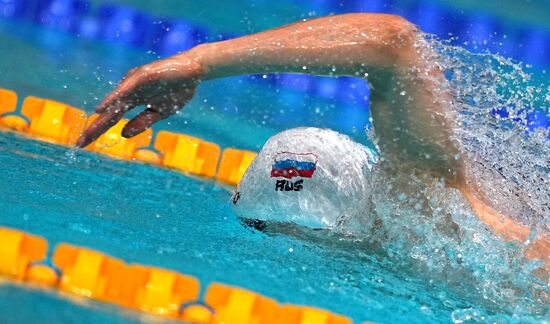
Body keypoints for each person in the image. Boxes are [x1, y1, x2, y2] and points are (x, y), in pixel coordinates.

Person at [75, 13, 548, 266]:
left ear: (359, 209)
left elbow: (393, 43)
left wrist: (202, 61)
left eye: (309, 233)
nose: (289, 252)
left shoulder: (434, 212)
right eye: (262, 229)